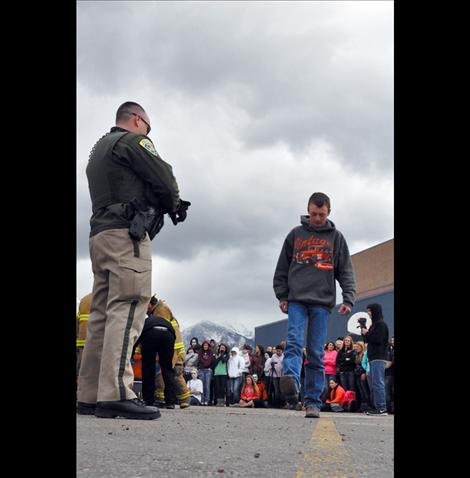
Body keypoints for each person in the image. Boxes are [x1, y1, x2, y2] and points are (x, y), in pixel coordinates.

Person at [77, 101, 191, 420]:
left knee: (100, 312)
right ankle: (116, 392)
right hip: (126, 233)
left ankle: (89, 394)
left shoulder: (98, 149)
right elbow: (163, 175)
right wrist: (174, 203)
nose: (148, 134)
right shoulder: (133, 141)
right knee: (128, 305)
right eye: (148, 128)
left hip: (99, 235)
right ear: (138, 120)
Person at [273, 192, 356, 418]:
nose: (317, 218)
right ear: (307, 211)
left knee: (317, 353)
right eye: (313, 214)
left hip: (322, 302)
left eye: (321, 214)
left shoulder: (336, 238)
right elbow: (281, 269)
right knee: (294, 342)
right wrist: (282, 295)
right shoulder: (295, 235)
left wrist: (348, 298)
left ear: (329, 212)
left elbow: (345, 270)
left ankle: (312, 402)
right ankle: (290, 383)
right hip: (297, 299)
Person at [133, 299, 177, 409]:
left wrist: (131, 353)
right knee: (167, 368)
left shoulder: (144, 322)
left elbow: (136, 339)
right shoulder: (164, 319)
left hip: (151, 333)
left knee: (148, 367)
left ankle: (148, 400)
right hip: (169, 334)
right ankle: (170, 401)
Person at [150, 296, 191, 408]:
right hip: (174, 349)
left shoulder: (160, 311)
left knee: (171, 373)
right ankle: (163, 398)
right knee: (170, 374)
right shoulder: (160, 309)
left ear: (150, 304)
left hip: (173, 350)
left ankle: (181, 399)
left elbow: (159, 330)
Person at [359, 303, 390, 416]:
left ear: (375, 311)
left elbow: (377, 339)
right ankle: (377, 407)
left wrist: (367, 333)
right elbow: (368, 340)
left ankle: (382, 408)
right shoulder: (374, 325)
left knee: (378, 383)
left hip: (378, 357)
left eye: (370, 311)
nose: (368, 313)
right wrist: (363, 328)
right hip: (373, 357)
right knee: (375, 383)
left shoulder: (381, 324)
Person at [197, 340, 215, 405]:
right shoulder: (200, 351)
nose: (205, 346)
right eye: (204, 345)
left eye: (206, 345)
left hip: (208, 370)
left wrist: (205, 364)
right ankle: (202, 400)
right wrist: (205, 363)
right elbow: (199, 358)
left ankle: (207, 400)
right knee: (202, 385)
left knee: (207, 386)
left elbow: (210, 360)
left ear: (208, 346)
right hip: (201, 370)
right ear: (202, 346)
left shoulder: (211, 352)